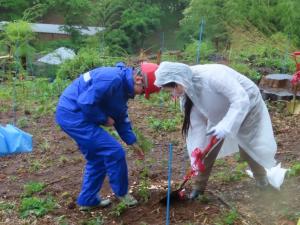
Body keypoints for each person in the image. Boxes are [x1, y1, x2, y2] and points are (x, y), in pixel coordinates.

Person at [154, 61, 279, 199]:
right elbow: (197, 127)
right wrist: (197, 154)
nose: (173, 94)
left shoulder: (213, 76)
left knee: (247, 145)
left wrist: (226, 124)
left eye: (172, 89)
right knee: (206, 152)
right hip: (219, 113)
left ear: (178, 80)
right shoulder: (186, 95)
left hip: (247, 105)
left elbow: (240, 99)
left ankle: (261, 179)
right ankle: (198, 188)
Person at [55, 62, 160, 210]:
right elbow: (85, 102)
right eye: (143, 91)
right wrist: (103, 119)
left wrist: (132, 142)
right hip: (73, 114)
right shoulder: (112, 79)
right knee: (114, 151)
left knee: (97, 158)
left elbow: (120, 115)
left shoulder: (123, 87)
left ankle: (87, 200)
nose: (141, 95)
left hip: (79, 114)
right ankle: (122, 193)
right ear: (138, 79)